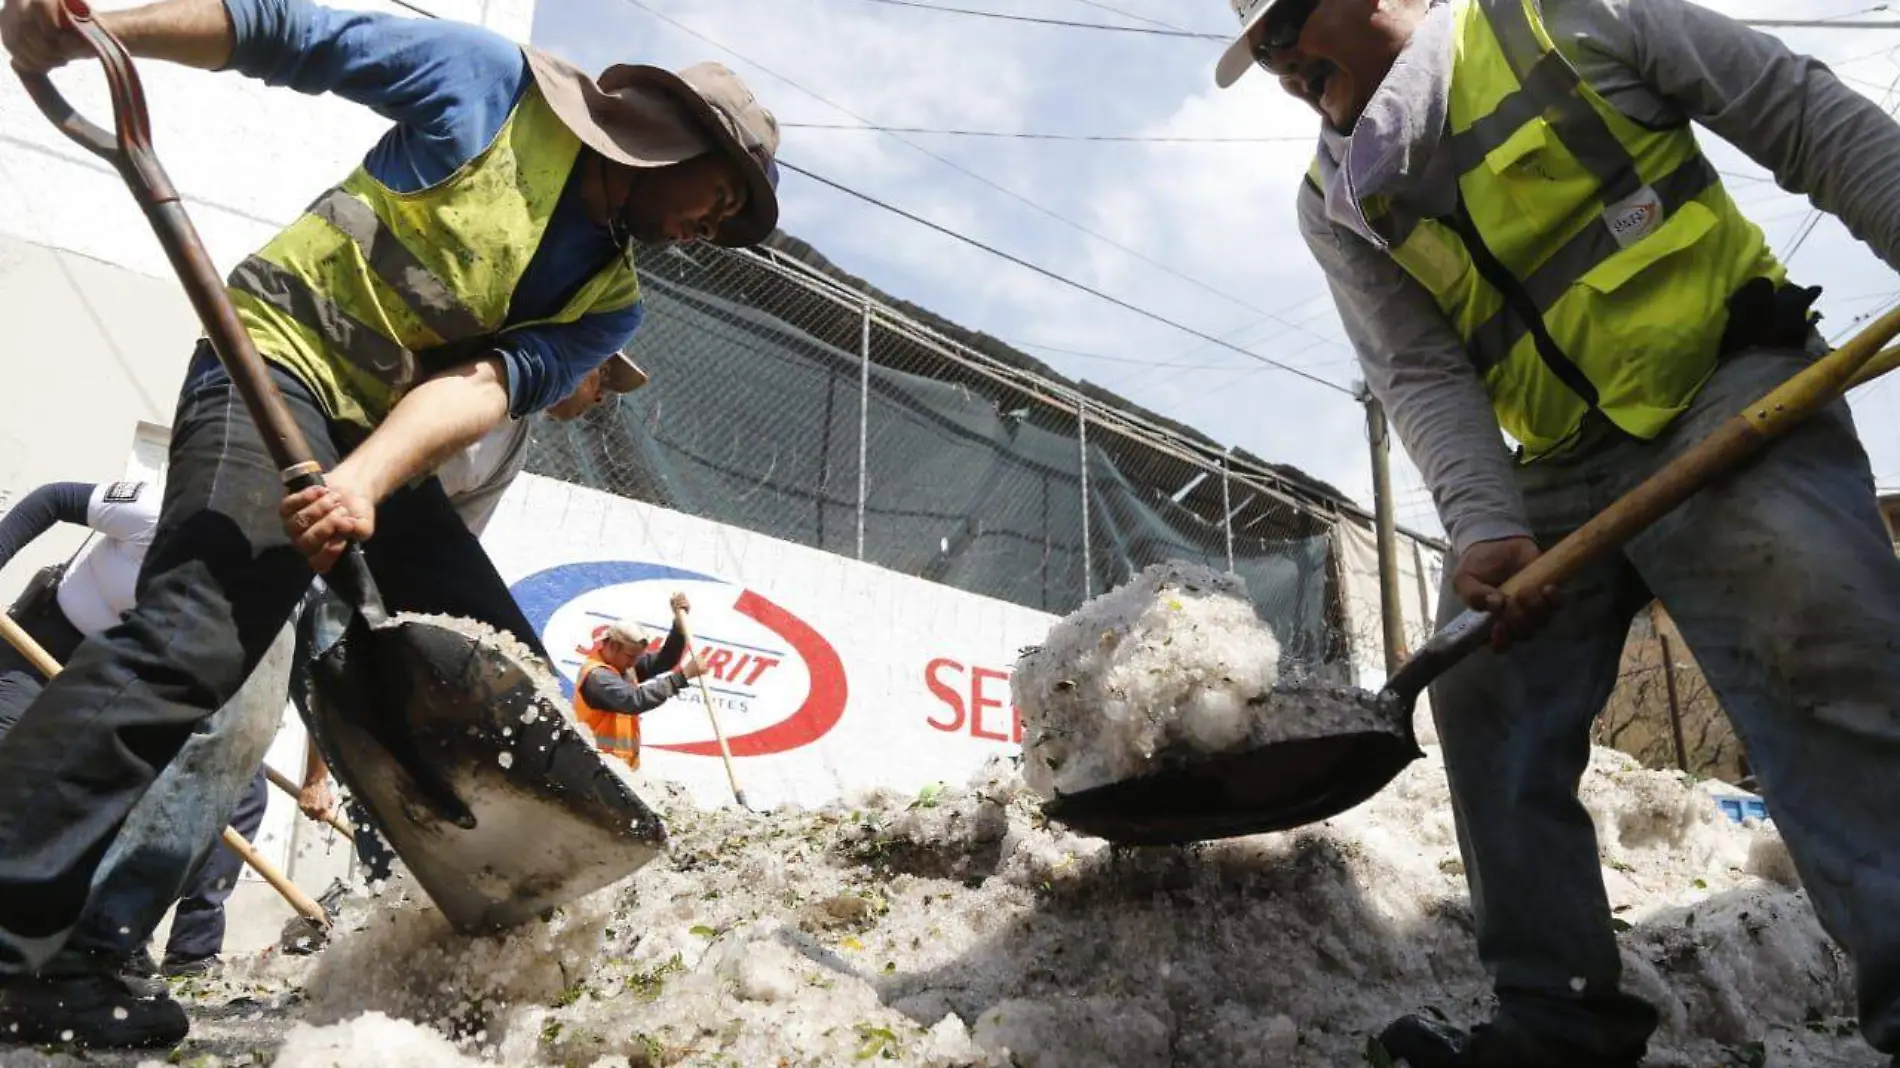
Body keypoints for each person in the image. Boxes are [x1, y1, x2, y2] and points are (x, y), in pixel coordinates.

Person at [0, 0, 781, 1048]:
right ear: (669, 139)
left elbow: (480, 381)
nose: (710, 228)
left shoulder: (611, 301)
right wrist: (98, 33)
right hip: (269, 361)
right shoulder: (491, 91)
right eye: (716, 198)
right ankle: (20, 943)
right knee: (197, 638)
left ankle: (517, 943)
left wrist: (362, 481)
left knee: (502, 667)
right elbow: (282, 35)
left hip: (371, 436)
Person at [1215, 0, 1900, 1064]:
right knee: (1478, 683)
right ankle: (1557, 1018)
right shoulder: (1330, 201)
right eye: (1259, 44)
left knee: (1811, 624)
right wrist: (1485, 526)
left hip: (1725, 379)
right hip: (1561, 463)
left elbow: (1797, 114)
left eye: (1291, 17)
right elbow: (1421, 370)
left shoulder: (1561, 17)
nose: (1280, 57)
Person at [292, 355, 652, 890]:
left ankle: (422, 888)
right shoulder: (476, 395)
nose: (601, 396)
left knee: (414, 759)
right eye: (601, 375)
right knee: (392, 751)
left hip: (393, 591)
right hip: (342, 575)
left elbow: (450, 549)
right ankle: (401, 892)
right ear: (574, 356)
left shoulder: (513, 440)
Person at [0, 481, 274, 982]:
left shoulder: (242, 584)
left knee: (220, 789)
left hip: (115, 677)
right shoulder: (154, 512)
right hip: (47, 645)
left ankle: (120, 941)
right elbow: (55, 499)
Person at [575, 597, 703, 771]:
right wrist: (682, 677)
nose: (634, 662)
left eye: (637, 656)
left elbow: (665, 660)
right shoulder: (597, 677)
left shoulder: (625, 666)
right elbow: (633, 700)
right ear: (612, 646)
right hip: (593, 767)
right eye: (630, 656)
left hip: (618, 770)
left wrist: (679, 628)